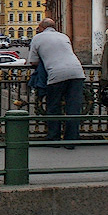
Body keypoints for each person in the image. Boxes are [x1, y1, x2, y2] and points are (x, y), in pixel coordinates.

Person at [27, 18, 85, 148]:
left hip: (56, 74)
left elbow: (33, 62)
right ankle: (71, 141)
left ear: (41, 27)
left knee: (54, 107)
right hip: (77, 72)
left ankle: (54, 138)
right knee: (73, 108)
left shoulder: (38, 38)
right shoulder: (64, 36)